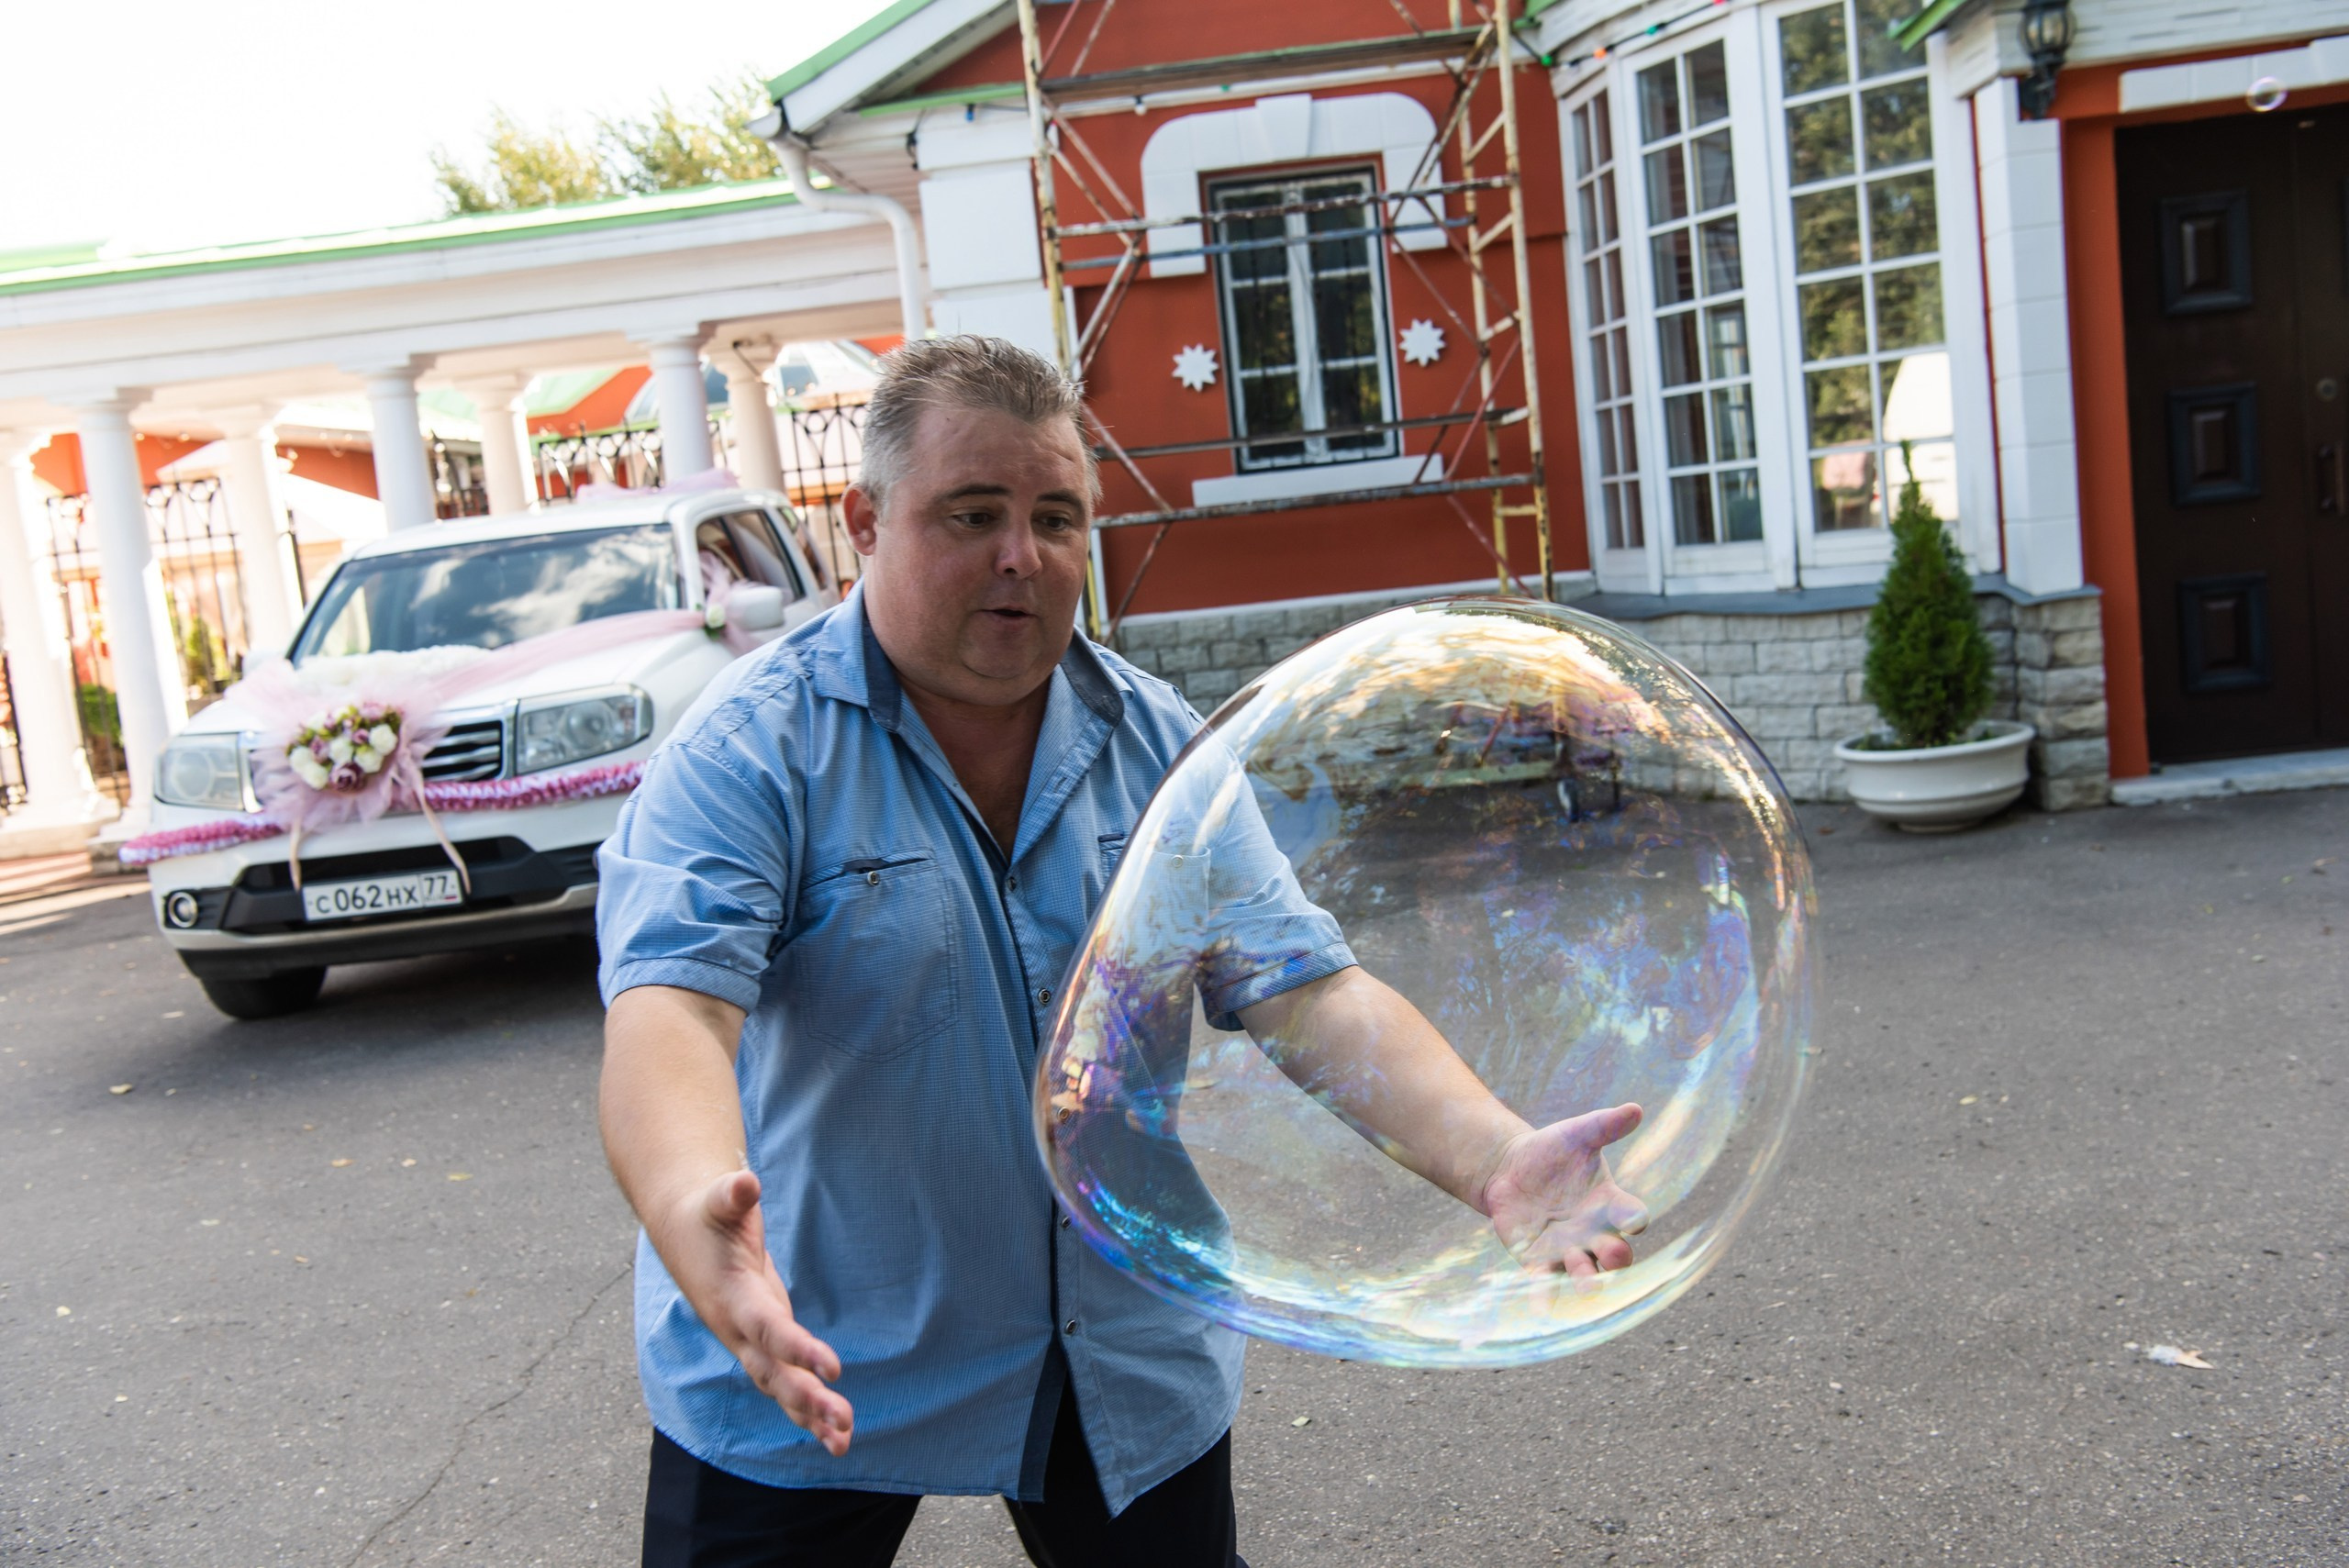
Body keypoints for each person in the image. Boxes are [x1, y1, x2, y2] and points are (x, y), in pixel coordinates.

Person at [596, 335, 1647, 1568]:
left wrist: (1499, 1157)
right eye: (973, 512)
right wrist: (691, 1211)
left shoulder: (1155, 745)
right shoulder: (747, 752)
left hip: (1112, 1343)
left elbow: (1307, 992)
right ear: (862, 522)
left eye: (1057, 516)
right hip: (803, 1334)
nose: (1020, 555)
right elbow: (672, 1011)